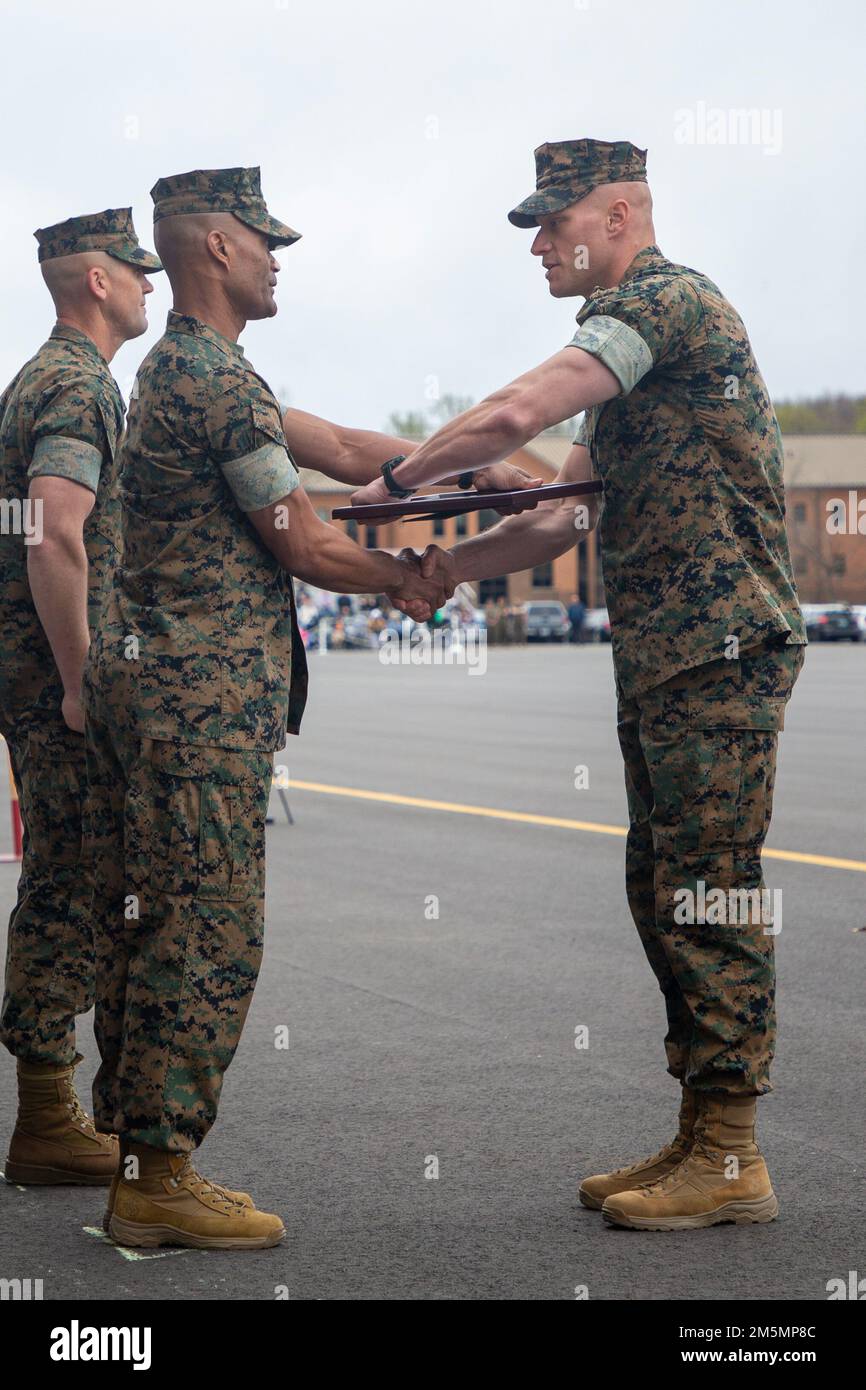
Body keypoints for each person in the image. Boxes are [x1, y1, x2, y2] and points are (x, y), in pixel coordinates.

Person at [355, 139, 807, 1231]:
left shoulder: (663, 304)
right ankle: (703, 1131)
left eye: (552, 224)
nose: (539, 244)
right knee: (662, 888)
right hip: (666, 657)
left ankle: (735, 1154)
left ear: (617, 212)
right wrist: (447, 573)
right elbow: (561, 512)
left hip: (716, 649)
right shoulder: (626, 368)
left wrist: (395, 485)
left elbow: (513, 416)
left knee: (708, 890)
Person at [83, 167, 451, 1250]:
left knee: (164, 926)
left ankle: (144, 1156)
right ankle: (157, 1175)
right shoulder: (213, 383)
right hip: (201, 712)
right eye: (263, 239)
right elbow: (303, 536)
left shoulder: (187, 372)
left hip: (176, 704)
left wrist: (486, 464)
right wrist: (405, 578)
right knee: (207, 932)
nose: (277, 256)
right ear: (214, 250)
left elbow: (339, 450)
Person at [0, 209, 162, 1187]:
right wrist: (77, 683)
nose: (152, 283)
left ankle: (73, 1108)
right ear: (97, 280)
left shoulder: (38, 377)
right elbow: (54, 534)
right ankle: (51, 1115)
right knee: (73, 877)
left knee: (81, 874)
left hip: (29, 672)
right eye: (138, 270)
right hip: (56, 682)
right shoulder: (75, 382)